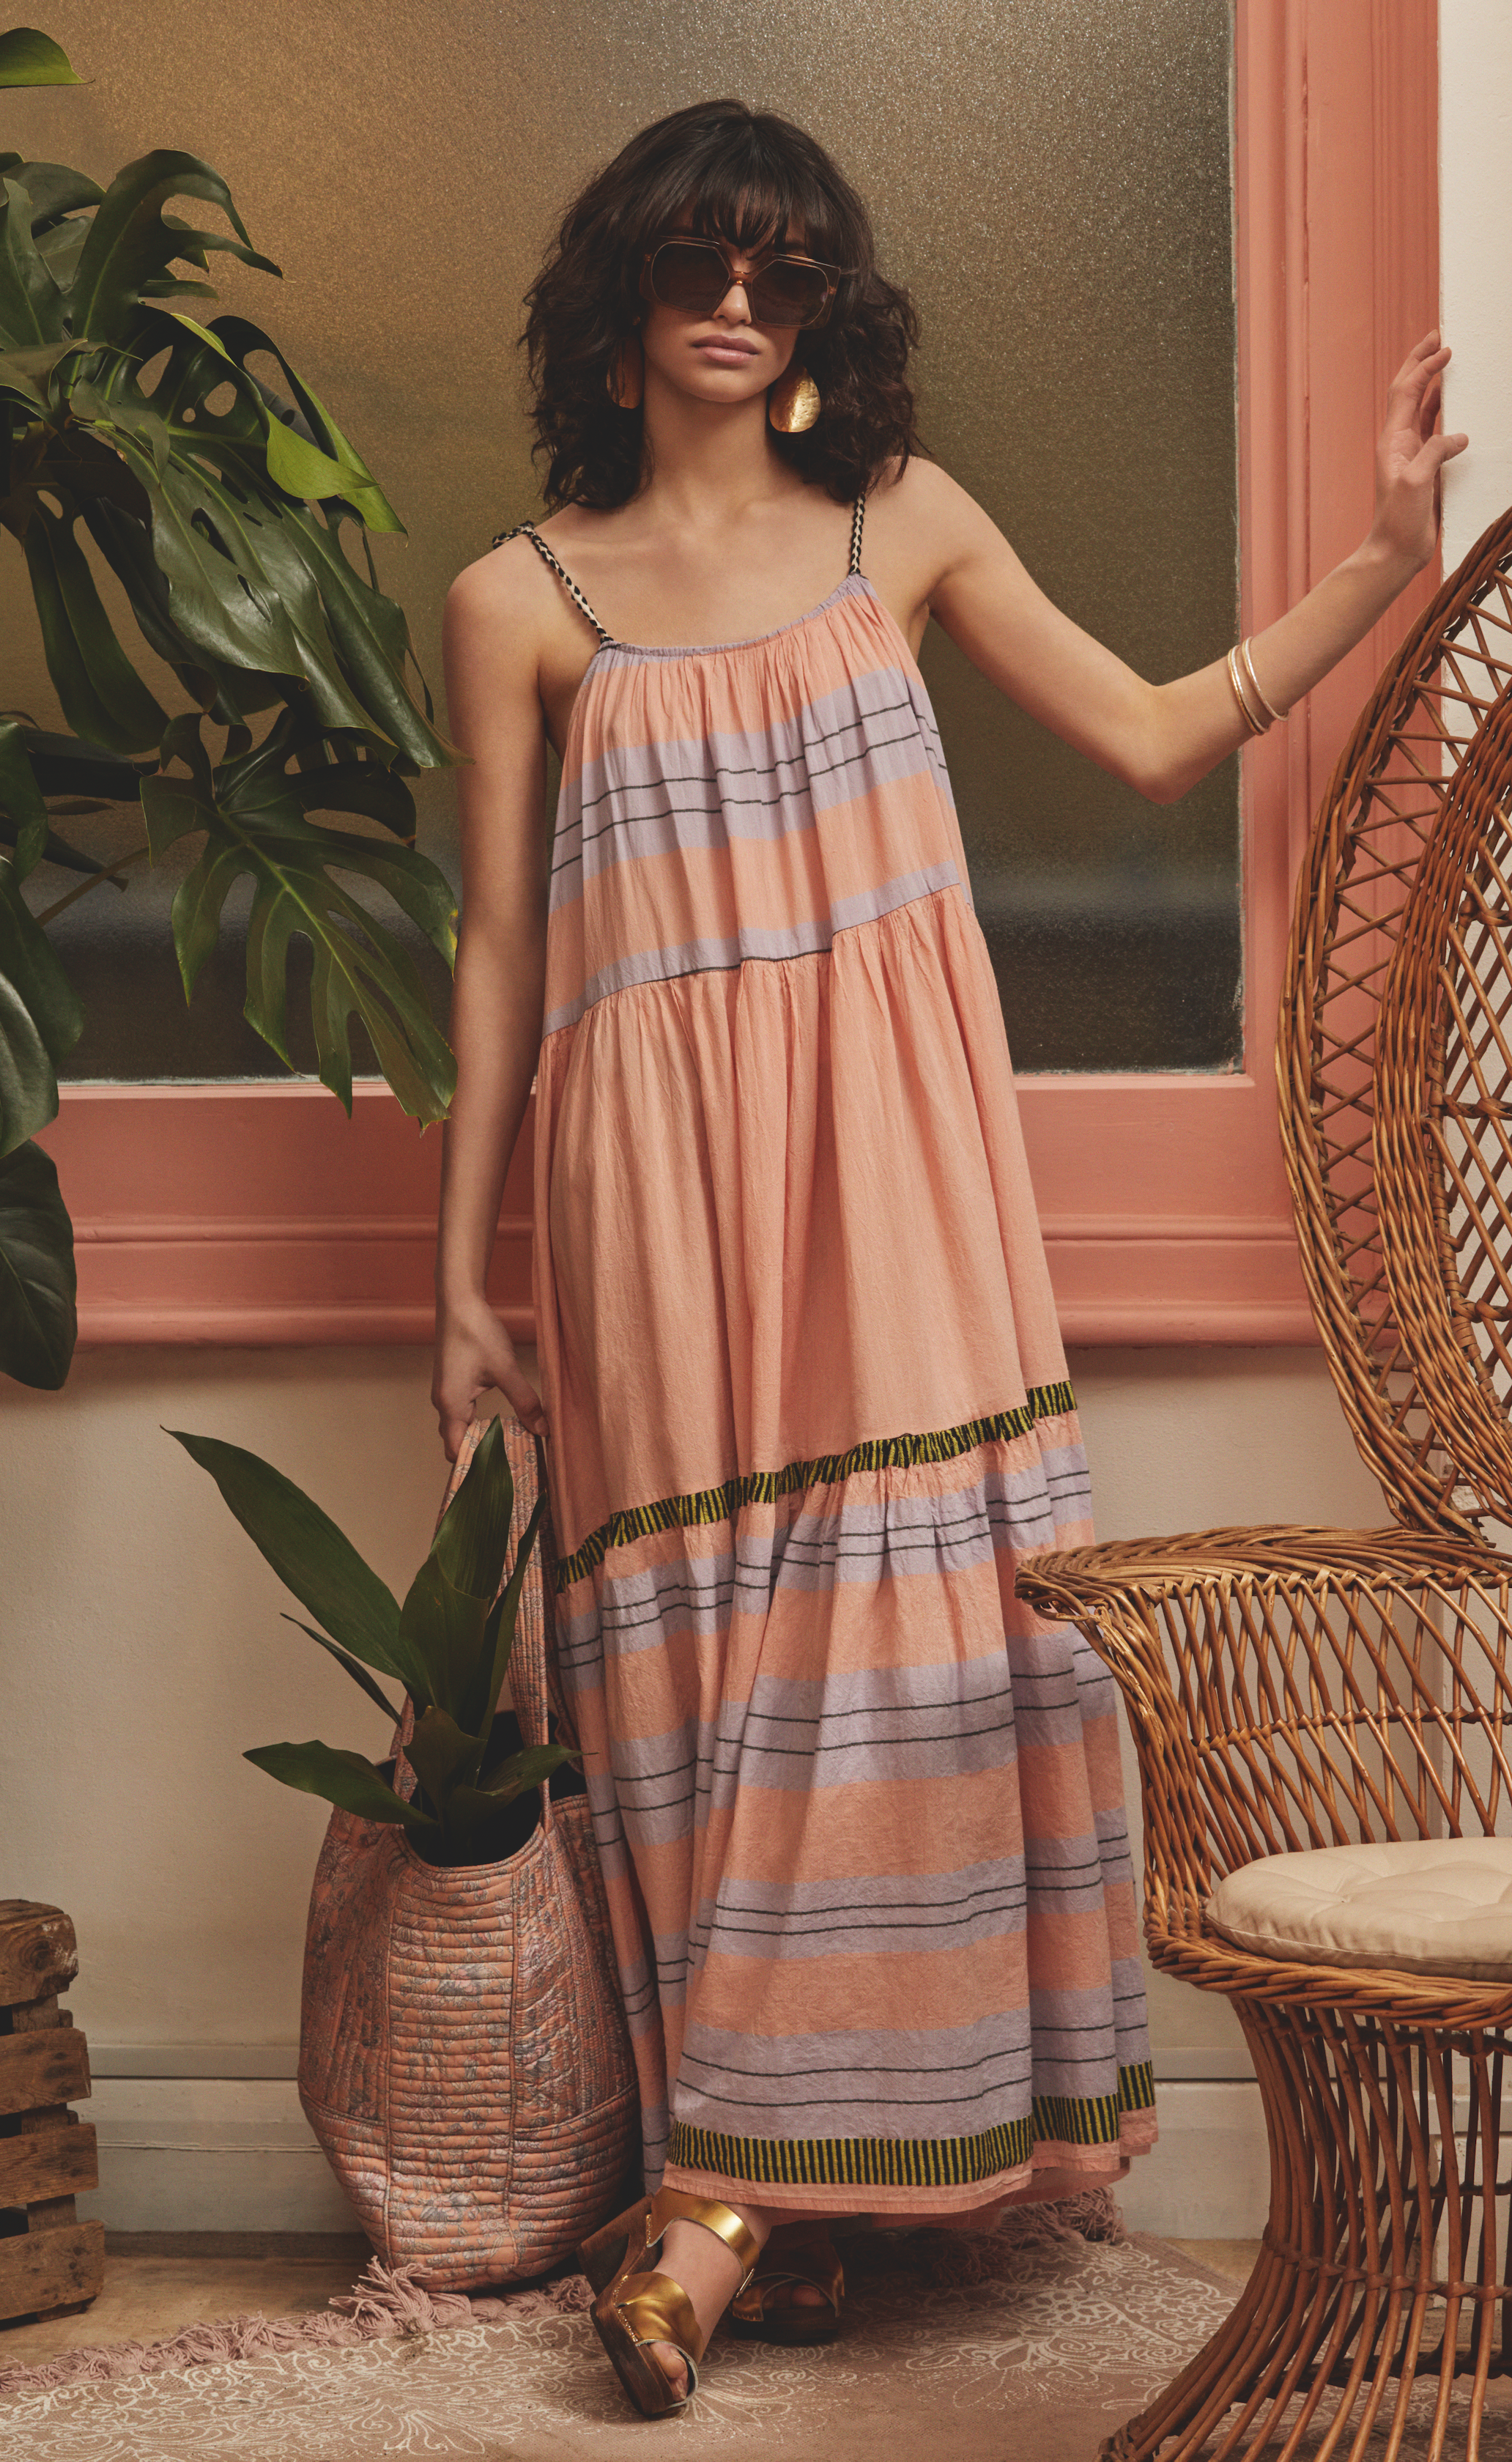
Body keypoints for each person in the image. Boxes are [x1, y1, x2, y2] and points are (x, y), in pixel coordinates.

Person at [432, 99, 1464, 2419]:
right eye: (700, 261)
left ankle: (726, 2201)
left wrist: (1385, 558)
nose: (736, 302)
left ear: (821, 318)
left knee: (891, 1636)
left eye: (782, 272)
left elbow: (1150, 735)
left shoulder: (902, 527)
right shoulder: (516, 600)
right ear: (623, 301)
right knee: (707, 1679)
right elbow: (499, 954)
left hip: (891, 1160)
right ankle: (774, 2189)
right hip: (649, 1182)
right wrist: (457, 1272)